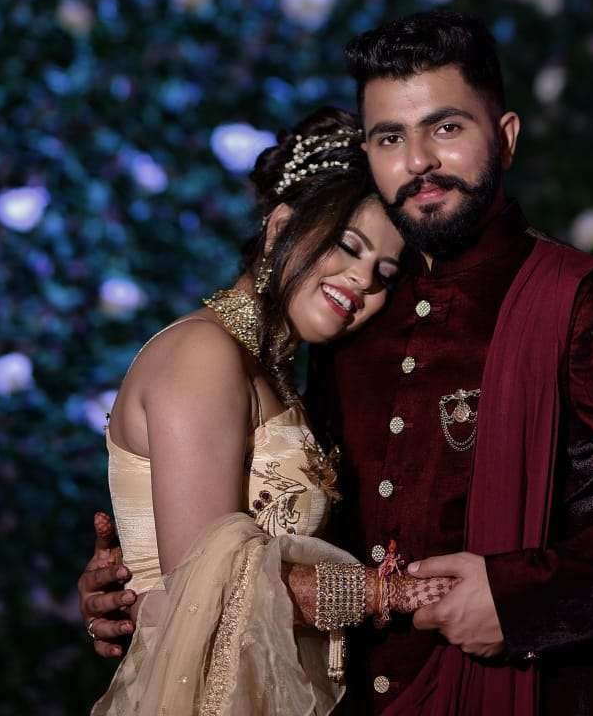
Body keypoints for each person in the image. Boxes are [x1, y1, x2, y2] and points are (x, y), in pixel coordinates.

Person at [80, 13, 593, 715]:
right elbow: (265, 523)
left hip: (523, 697)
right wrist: (143, 591)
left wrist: (522, 598)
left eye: (447, 127)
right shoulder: (351, 312)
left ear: (506, 137)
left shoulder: (581, 303)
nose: (419, 160)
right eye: (390, 137)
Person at [85, 105, 453, 716]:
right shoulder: (203, 353)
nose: (362, 280)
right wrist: (394, 593)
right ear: (281, 227)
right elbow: (213, 586)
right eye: (348, 246)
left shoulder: (273, 373)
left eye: (383, 273)